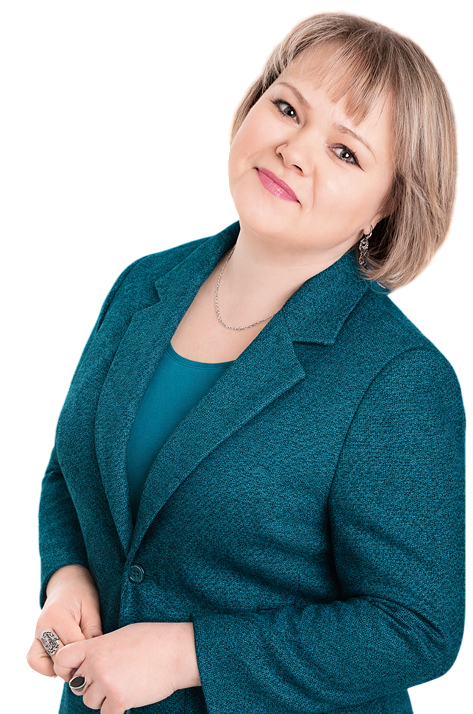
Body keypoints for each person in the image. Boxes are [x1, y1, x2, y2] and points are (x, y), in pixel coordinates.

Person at [26, 10, 465, 714]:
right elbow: (71, 467)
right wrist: (66, 578)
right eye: (287, 108)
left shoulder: (400, 378)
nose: (294, 151)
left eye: (345, 152)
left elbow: (415, 628)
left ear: (384, 208)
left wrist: (186, 654)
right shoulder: (142, 283)